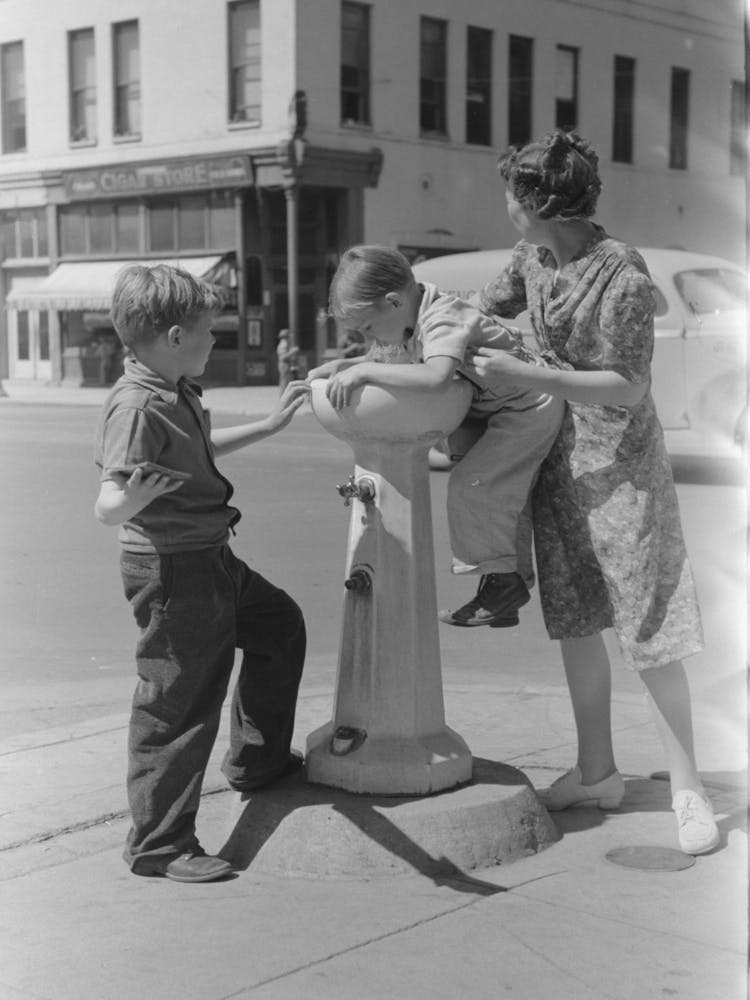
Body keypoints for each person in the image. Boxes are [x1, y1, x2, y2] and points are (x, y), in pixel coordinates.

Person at [464, 129, 719, 855]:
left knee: (647, 626)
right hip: (560, 462)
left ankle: (689, 787)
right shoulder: (534, 260)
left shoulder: (624, 277)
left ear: (540, 201)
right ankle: (598, 769)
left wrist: (528, 377)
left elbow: (629, 385)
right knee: (577, 619)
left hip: (623, 471)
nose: (508, 209)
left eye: (513, 196)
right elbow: (483, 306)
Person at [94, 264, 310, 883]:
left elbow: (199, 452)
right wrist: (132, 497)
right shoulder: (136, 405)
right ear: (172, 336)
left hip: (211, 558)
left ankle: (256, 763)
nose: (216, 341)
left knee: (278, 625)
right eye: (208, 331)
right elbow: (107, 505)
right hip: (174, 571)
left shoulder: (172, 389)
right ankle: (159, 847)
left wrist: (269, 424)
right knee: (178, 705)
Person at [307, 244, 564, 628]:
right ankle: (505, 586)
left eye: (368, 328)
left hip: (528, 409)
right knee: (495, 494)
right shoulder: (414, 314)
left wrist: (364, 374)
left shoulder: (442, 317)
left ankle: (505, 585)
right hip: (494, 407)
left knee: (474, 485)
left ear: (393, 302)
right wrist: (345, 365)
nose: (369, 339)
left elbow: (434, 376)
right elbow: (393, 357)